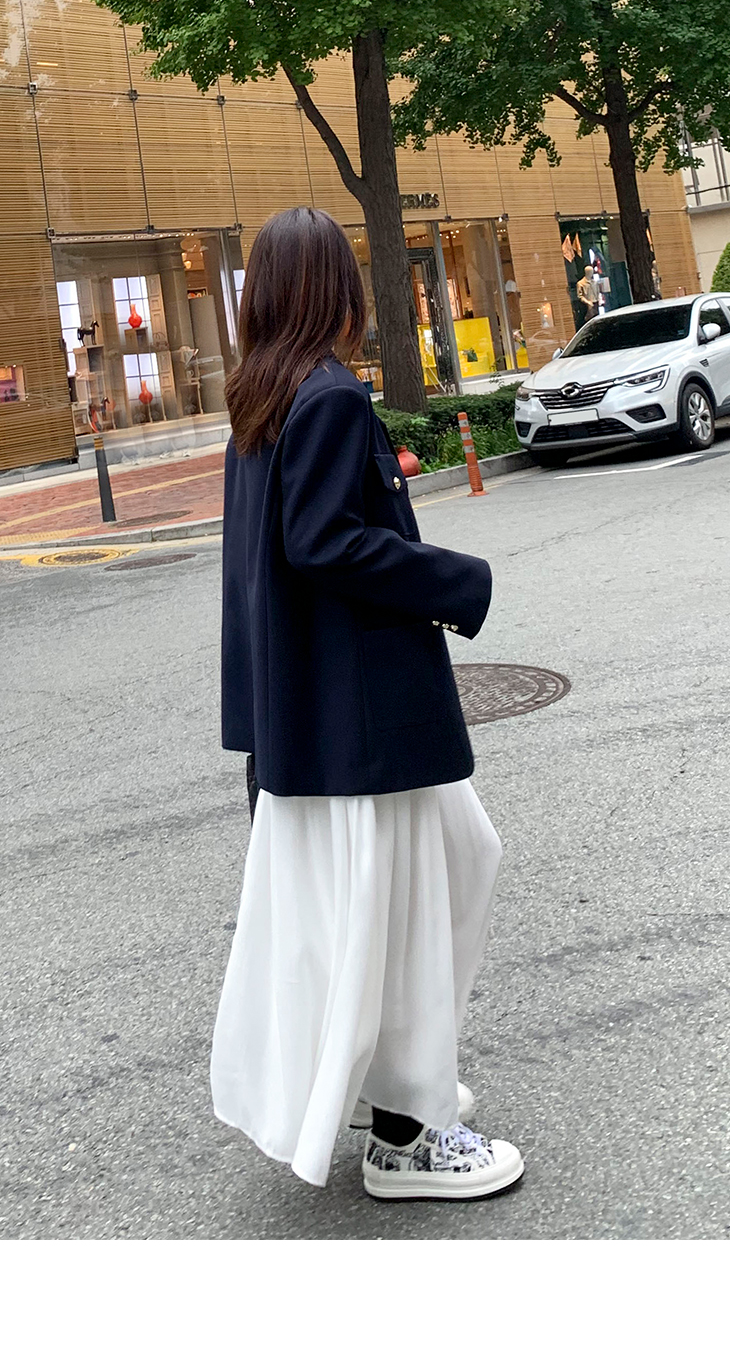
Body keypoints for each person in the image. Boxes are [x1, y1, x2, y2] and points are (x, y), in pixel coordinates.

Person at [211, 207, 523, 1201]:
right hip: (362, 720)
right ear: (333, 290)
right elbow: (323, 544)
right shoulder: (331, 396)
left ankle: (385, 1093)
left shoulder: (262, 398)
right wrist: (455, 578)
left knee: (404, 893)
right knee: (414, 907)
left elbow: (262, 569)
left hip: (308, 722)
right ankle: (408, 1132)